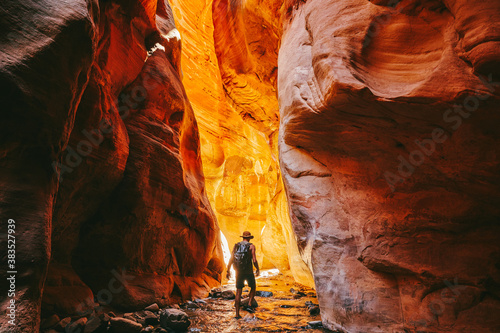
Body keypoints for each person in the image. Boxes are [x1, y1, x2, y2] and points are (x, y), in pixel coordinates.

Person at [226, 231, 260, 319]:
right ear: (249, 238)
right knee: (253, 287)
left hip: (239, 272)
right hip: (248, 271)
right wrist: (258, 269)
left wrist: (228, 270)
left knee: (238, 291)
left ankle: (237, 314)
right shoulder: (251, 246)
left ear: (243, 237)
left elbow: (231, 258)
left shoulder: (236, 246)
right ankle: (249, 305)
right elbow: (254, 260)